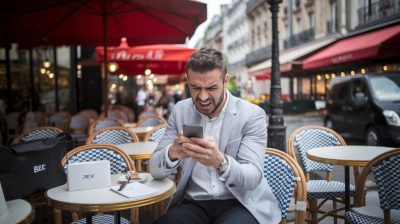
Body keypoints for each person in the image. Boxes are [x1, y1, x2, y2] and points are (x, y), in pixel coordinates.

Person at [150, 47, 280, 224]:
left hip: (240, 202)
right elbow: (155, 170)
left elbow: (252, 177)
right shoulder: (181, 111)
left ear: (225, 81)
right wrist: (173, 152)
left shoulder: (251, 115)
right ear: (188, 81)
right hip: (194, 203)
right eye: (195, 88)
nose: (203, 97)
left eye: (211, 88)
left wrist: (220, 162)